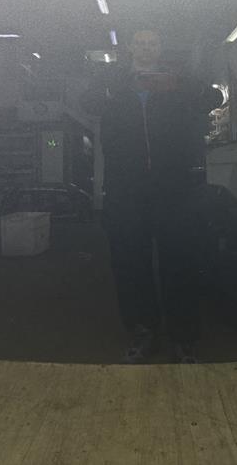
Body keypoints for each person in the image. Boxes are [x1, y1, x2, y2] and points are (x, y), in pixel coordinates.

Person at [81, 29, 223, 363]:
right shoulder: (113, 78)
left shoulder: (177, 78)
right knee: (131, 262)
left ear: (160, 48)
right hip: (125, 187)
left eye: (153, 43)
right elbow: (86, 103)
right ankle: (143, 331)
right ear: (130, 47)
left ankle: (184, 338)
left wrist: (178, 84)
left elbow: (214, 99)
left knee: (181, 260)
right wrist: (112, 87)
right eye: (141, 43)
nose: (147, 49)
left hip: (175, 187)